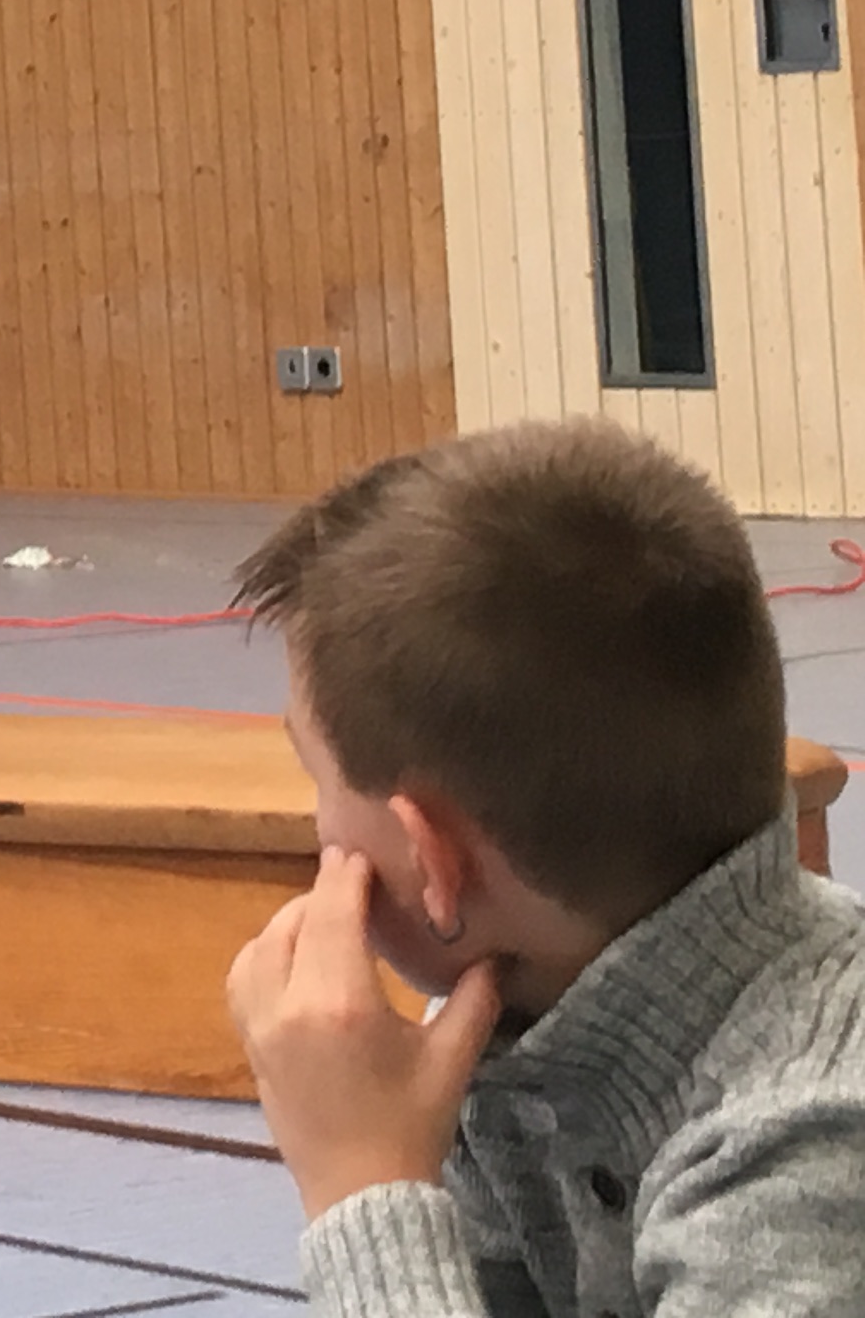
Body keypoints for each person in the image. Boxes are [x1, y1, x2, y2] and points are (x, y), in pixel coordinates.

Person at [224, 419, 865, 1314]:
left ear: (432, 863)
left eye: (317, 779)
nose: (317, 827)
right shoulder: (520, 1035)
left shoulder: (805, 1159)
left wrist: (367, 1192)